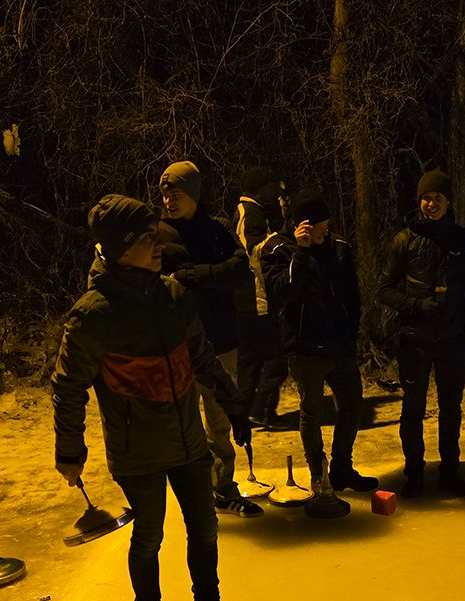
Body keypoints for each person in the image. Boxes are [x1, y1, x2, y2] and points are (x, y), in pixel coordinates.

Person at [53, 194, 253, 601]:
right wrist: (69, 450)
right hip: (137, 451)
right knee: (149, 538)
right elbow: (68, 386)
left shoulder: (174, 296)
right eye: (148, 238)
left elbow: (202, 358)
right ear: (122, 247)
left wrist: (234, 406)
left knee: (204, 529)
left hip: (188, 440)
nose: (159, 243)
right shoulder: (94, 314)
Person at [157, 161, 263, 518]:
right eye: (165, 195)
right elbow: (160, 286)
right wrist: (208, 280)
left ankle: (222, 489)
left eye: (176, 194)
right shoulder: (157, 235)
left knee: (219, 423)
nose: (169, 201)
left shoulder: (216, 230)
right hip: (179, 345)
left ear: (194, 194)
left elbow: (240, 269)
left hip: (221, 339)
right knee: (184, 426)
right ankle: (194, 494)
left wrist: (193, 276)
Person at [261, 190, 378, 492]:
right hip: (304, 347)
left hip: (339, 344)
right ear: (303, 226)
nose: (326, 232)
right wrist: (301, 254)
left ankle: (341, 468)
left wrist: (352, 330)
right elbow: (281, 292)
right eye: (320, 228)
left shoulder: (338, 247)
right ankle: (318, 473)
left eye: (327, 226)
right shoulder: (277, 249)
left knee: (352, 404)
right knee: (311, 411)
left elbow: (352, 294)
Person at [378, 170, 465, 497]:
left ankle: (450, 472)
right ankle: (414, 474)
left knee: (451, 409)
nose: (431, 203)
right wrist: (415, 305)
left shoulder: (462, 240)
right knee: (412, 409)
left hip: (453, 340)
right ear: (419, 201)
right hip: (414, 340)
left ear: (448, 201)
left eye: (437, 197)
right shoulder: (404, 240)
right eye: (426, 198)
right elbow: (384, 289)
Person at [231, 166, 294, 431]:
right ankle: (262, 410)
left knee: (251, 361)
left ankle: (245, 411)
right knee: (275, 358)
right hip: (256, 297)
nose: (273, 192)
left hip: (249, 299)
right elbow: (252, 250)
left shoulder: (253, 210)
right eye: (269, 187)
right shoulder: (249, 212)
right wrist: (280, 240)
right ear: (259, 188)